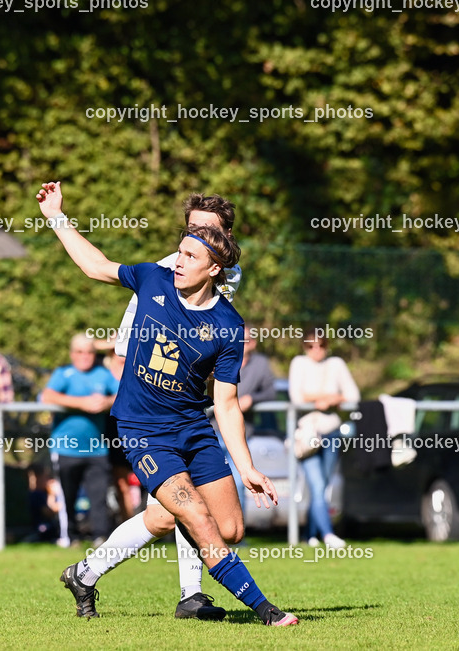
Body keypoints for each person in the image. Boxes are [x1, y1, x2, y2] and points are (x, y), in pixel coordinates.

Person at [37, 180, 298, 627]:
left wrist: (248, 467)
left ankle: (85, 573)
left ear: (218, 263)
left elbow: (228, 403)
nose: (180, 258)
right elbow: (96, 266)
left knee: (220, 526)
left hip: (192, 425)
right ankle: (263, 609)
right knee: (194, 513)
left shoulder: (228, 323)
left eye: (195, 250)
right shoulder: (155, 276)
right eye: (183, 244)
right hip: (143, 427)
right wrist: (57, 217)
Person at [108, 193, 243, 620]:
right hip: (149, 406)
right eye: (193, 227)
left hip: (186, 410)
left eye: (211, 229)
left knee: (185, 520)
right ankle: (192, 593)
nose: (200, 235)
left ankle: (85, 572)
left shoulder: (226, 271)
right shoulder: (168, 271)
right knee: (183, 512)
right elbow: (130, 343)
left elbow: (213, 333)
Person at [41, 333, 120, 546]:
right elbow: (47, 396)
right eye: (80, 352)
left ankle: (100, 537)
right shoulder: (63, 374)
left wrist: (106, 402)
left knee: (99, 495)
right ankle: (70, 537)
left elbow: (123, 394)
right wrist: (81, 403)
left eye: (89, 352)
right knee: (67, 495)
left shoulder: (103, 375)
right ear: (72, 354)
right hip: (65, 448)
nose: (85, 356)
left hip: (97, 448)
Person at [288, 329, 360, 549]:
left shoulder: (336, 364)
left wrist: (333, 399)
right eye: (310, 345)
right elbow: (297, 397)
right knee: (317, 486)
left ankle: (310, 534)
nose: (316, 350)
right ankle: (329, 535)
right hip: (308, 434)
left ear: (326, 346)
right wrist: (326, 398)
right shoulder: (298, 363)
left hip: (331, 432)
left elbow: (354, 396)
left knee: (322, 487)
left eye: (320, 345)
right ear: (304, 347)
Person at [213, 323, 279, 512]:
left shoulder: (260, 364)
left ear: (254, 343)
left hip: (239, 432)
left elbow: (271, 393)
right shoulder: (219, 358)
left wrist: (251, 399)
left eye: (247, 340)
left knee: (239, 480)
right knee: (210, 481)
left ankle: (236, 533)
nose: (243, 343)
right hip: (213, 430)